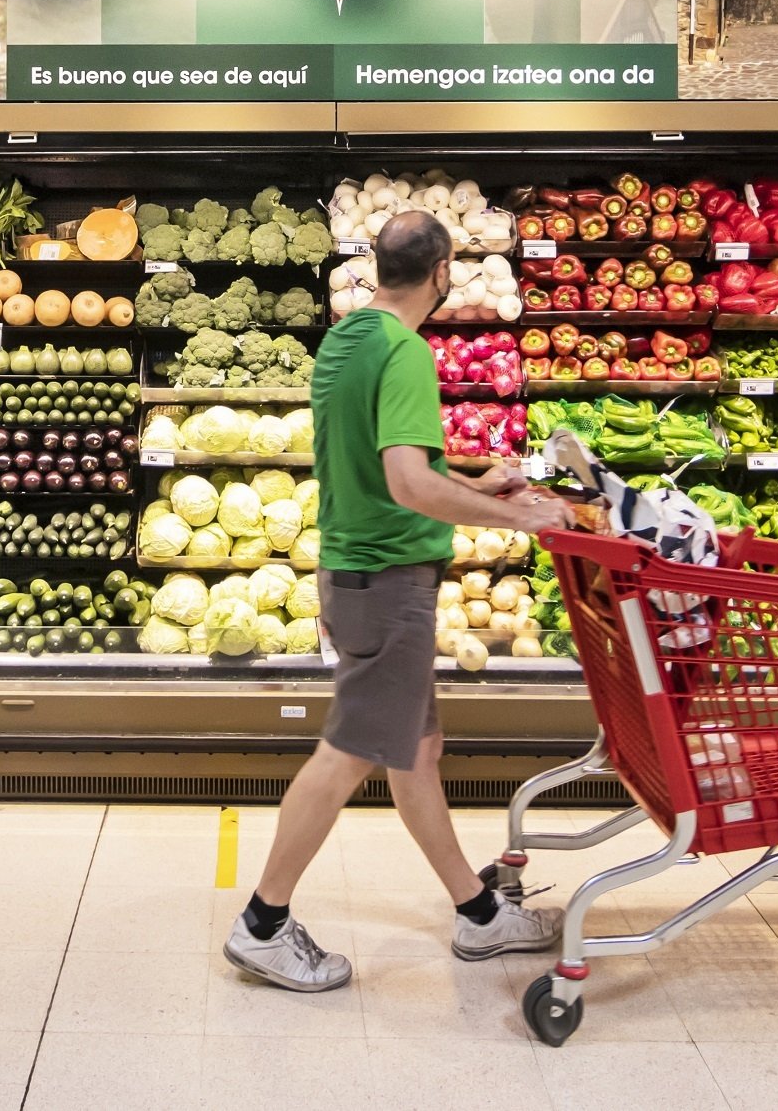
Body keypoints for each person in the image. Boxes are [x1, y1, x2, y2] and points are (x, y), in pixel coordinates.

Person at [224, 211, 577, 993]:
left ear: (377, 267)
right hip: (387, 583)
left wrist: (475, 480)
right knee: (349, 753)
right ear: (443, 271)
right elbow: (407, 483)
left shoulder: (347, 340)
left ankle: (479, 914)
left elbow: (386, 456)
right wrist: (519, 513)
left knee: (416, 752)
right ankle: (263, 925)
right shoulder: (406, 351)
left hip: (356, 572)